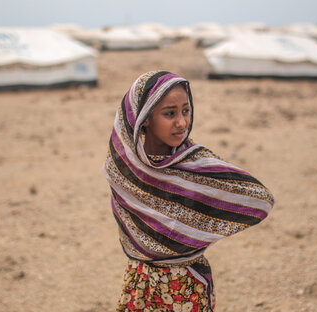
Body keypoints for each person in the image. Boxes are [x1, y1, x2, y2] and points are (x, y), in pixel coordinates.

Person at [103, 70, 274, 311]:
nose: (182, 122)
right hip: (140, 284)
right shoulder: (124, 169)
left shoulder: (198, 165)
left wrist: (199, 230)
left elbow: (259, 198)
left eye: (186, 110)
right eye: (170, 113)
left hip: (185, 287)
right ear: (145, 117)